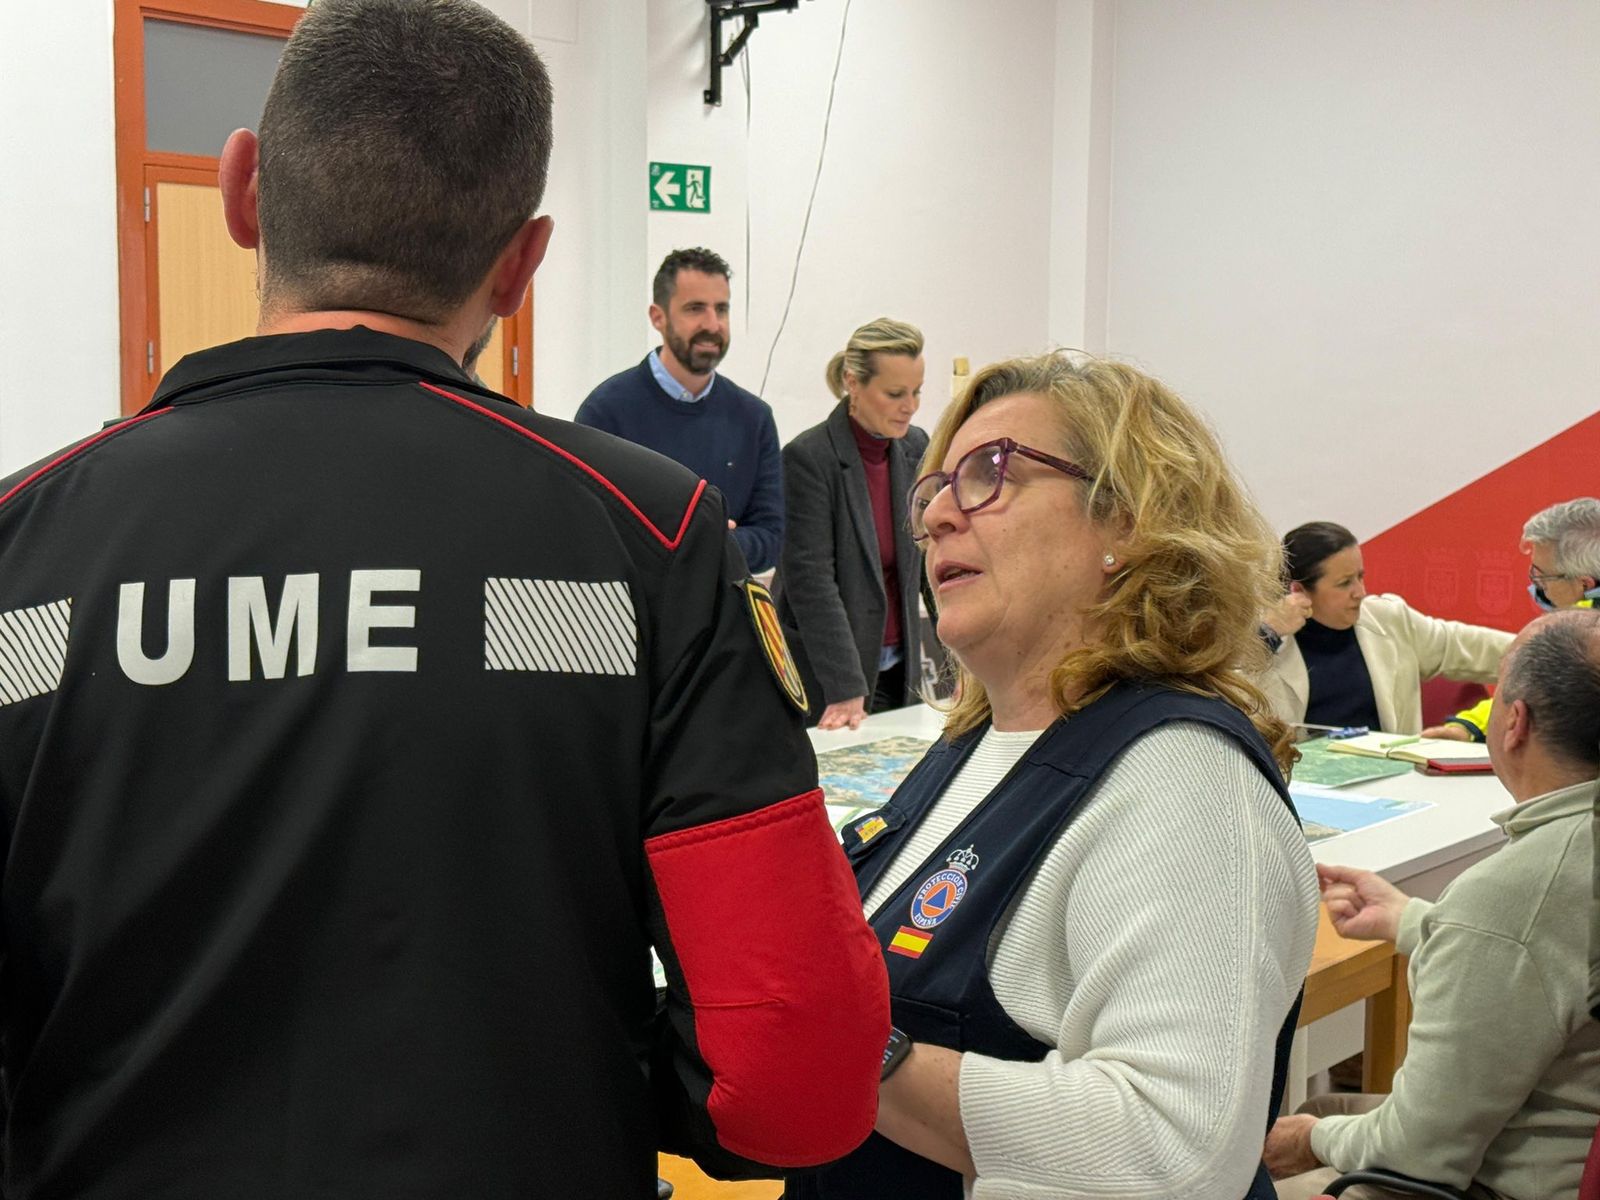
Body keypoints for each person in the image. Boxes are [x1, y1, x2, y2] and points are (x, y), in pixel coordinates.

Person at [0, 3, 889, 1196]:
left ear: (244, 191)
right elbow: (799, 1072)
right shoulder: (648, 533)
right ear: (522, 264)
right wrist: (611, 1076)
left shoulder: (23, 547)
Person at [786, 352, 1320, 1199]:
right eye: (932, 494)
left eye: (990, 474)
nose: (937, 521)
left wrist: (848, 1051)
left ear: (1129, 520)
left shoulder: (1187, 783)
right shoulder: (972, 749)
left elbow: (1173, 1153)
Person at [1266, 609, 1600, 1200]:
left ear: (1515, 722)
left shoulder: (1520, 888)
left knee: (1281, 1144)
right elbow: (1549, 953)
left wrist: (1314, 1140)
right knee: (1322, 1107)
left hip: (1510, 1180)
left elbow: (1417, 1152)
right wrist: (1416, 921)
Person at [574, 247, 784, 572]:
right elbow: (591, 534)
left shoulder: (754, 419)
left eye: (722, 309)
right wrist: (712, 540)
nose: (713, 325)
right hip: (636, 616)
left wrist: (695, 542)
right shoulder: (606, 412)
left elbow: (770, 540)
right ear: (658, 317)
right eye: (695, 308)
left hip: (723, 617)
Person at [772, 318, 930, 730]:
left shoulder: (917, 447)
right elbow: (811, 581)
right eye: (895, 393)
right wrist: (845, 686)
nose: (910, 406)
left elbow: (933, 556)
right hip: (832, 676)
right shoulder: (809, 458)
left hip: (901, 667)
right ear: (853, 383)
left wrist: (966, 662)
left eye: (916, 392)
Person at [1259, 521, 1512, 734]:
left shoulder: (1389, 620)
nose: (1360, 592)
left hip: (1392, 781)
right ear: (1299, 590)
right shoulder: (1265, 641)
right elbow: (1234, 705)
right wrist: (1267, 635)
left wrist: (1542, 652)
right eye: (1345, 583)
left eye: (1360, 576)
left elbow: (1472, 648)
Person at [1423, 497, 1600, 741]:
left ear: (1584, 584)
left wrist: (1471, 728)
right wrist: (1469, 726)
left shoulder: (1581, 640)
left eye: (1542, 577)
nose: (1536, 586)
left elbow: (1532, 691)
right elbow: (1527, 688)